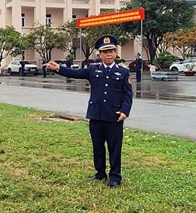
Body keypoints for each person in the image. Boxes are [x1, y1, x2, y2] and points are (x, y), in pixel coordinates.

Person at [44, 35, 133, 188]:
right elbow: (75, 73)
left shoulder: (123, 72)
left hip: (114, 116)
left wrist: (125, 111)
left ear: (115, 53)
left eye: (111, 51)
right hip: (96, 114)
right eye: (105, 52)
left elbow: (127, 94)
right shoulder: (93, 69)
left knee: (114, 147)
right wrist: (58, 68)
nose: (109, 54)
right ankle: (100, 173)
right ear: (100, 55)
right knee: (97, 146)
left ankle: (115, 177)